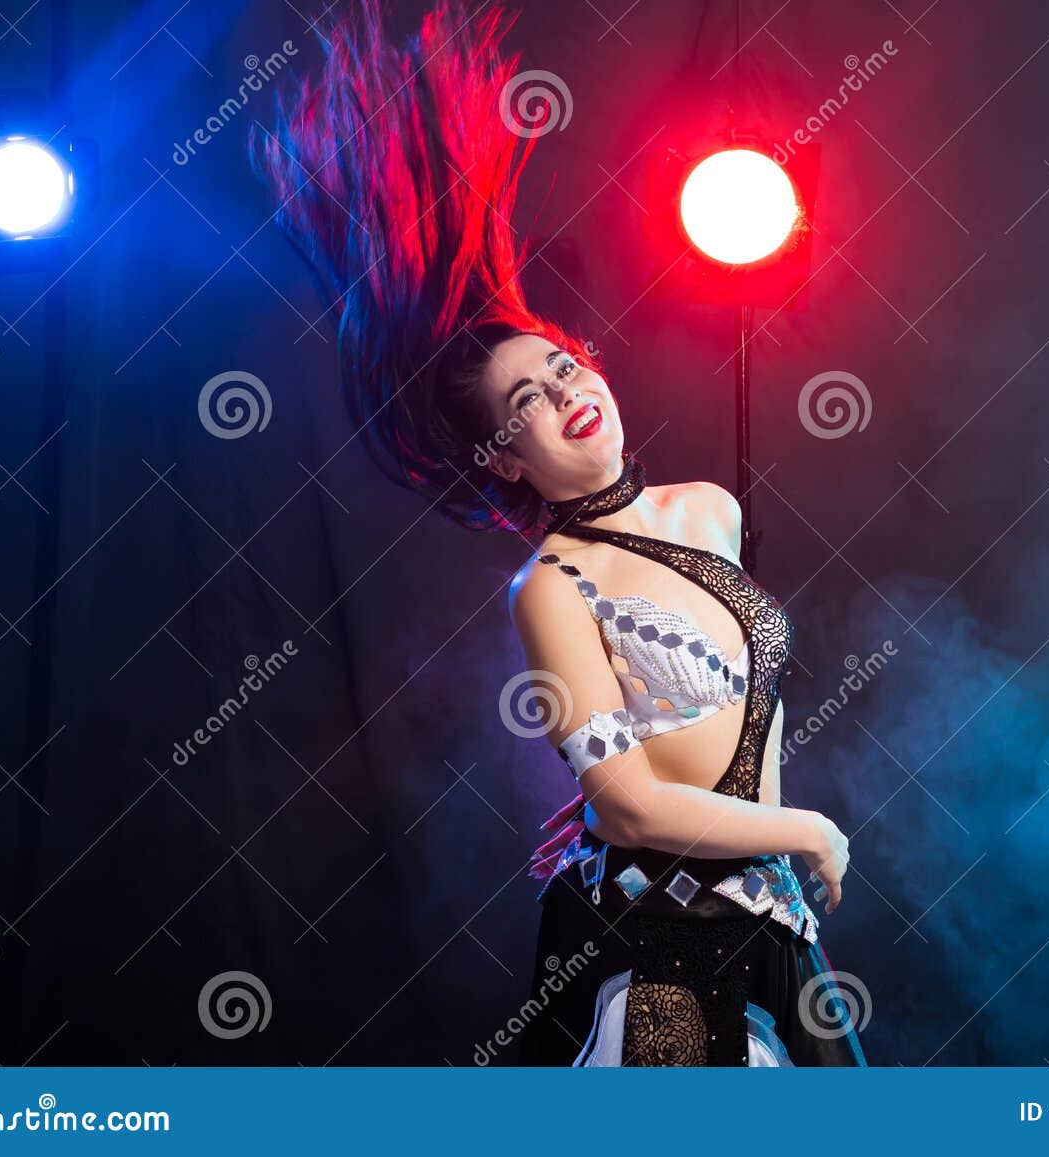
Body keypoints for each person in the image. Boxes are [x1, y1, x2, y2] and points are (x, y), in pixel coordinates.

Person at [254, 0, 865, 1066]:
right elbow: (632, 806)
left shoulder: (709, 508)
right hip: (658, 942)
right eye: (526, 400)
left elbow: (722, 710)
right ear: (502, 453)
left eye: (562, 365)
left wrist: (689, 812)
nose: (562, 391)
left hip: (768, 923)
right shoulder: (550, 585)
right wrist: (799, 828)